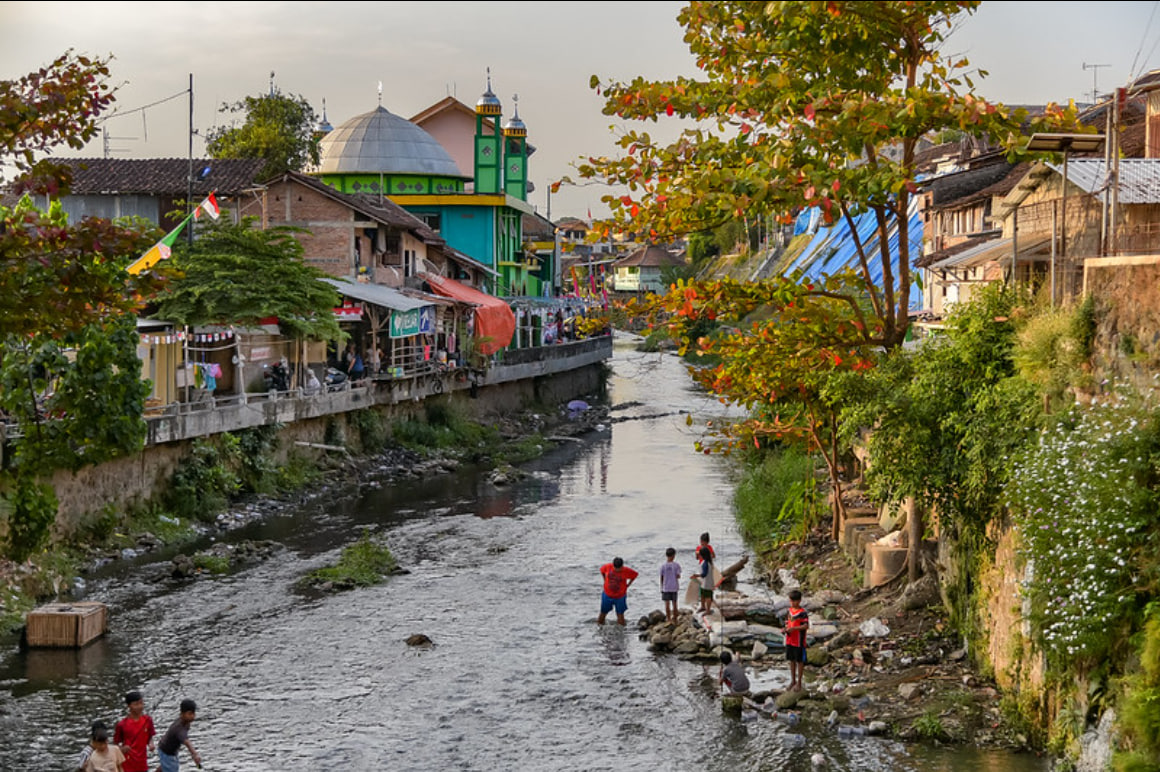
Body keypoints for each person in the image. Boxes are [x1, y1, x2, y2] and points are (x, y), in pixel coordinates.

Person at [114, 690, 155, 772]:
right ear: (129, 706)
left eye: (141, 703)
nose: (140, 706)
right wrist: (122, 748)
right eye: (136, 704)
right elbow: (115, 745)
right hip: (127, 764)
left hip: (142, 763)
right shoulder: (122, 725)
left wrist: (151, 744)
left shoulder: (148, 720)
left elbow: (149, 736)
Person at [156, 699, 201, 772]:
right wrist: (195, 754)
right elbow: (187, 742)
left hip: (167, 748)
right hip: (167, 752)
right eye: (190, 714)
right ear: (182, 713)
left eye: (194, 713)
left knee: (166, 766)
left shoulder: (185, 721)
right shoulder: (179, 729)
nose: (193, 716)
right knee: (172, 768)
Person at [597, 557, 639, 626]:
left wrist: (628, 585)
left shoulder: (626, 570)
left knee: (620, 614)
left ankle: (622, 632)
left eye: (619, 569)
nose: (617, 570)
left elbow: (634, 575)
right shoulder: (608, 567)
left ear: (622, 566)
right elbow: (602, 570)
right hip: (607, 595)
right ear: (613, 565)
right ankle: (599, 628)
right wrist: (604, 580)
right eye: (615, 568)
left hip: (620, 596)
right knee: (603, 612)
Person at [784, 589, 810, 692]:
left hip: (799, 641)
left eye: (794, 601)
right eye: (791, 601)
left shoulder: (802, 613)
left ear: (799, 601)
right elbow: (787, 622)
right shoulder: (789, 611)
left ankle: (799, 682)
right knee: (791, 660)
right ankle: (792, 680)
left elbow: (806, 626)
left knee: (800, 661)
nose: (792, 603)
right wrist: (785, 629)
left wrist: (794, 629)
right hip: (790, 639)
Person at [659, 547, 682, 623]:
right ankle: (675, 618)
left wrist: (662, 587)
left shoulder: (663, 566)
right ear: (673, 555)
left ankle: (668, 618)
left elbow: (661, 577)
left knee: (667, 604)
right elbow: (678, 576)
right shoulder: (676, 565)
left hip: (666, 587)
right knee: (674, 603)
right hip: (674, 587)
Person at [698, 546, 717, 614]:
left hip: (706, 583)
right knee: (703, 595)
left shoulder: (706, 563)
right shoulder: (708, 562)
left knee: (707, 596)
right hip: (704, 582)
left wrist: (697, 575)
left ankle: (708, 610)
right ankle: (703, 606)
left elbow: (704, 574)